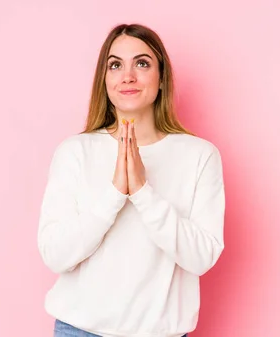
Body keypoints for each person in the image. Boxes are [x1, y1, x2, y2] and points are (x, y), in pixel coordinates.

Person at [37, 23, 226, 337]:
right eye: (115, 65)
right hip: (80, 331)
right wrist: (114, 194)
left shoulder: (199, 156)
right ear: (105, 80)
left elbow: (202, 257)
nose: (128, 76)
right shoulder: (75, 152)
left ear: (161, 78)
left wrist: (142, 192)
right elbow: (55, 254)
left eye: (142, 63)